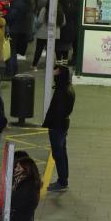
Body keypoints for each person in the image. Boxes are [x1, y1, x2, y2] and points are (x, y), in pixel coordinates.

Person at [44, 64, 75, 192]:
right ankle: (64, 179)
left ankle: (62, 181)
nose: (54, 71)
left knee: (58, 154)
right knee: (62, 152)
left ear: (61, 73)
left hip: (57, 127)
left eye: (56, 70)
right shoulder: (66, 87)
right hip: (62, 125)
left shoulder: (62, 91)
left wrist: (52, 126)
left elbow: (58, 111)